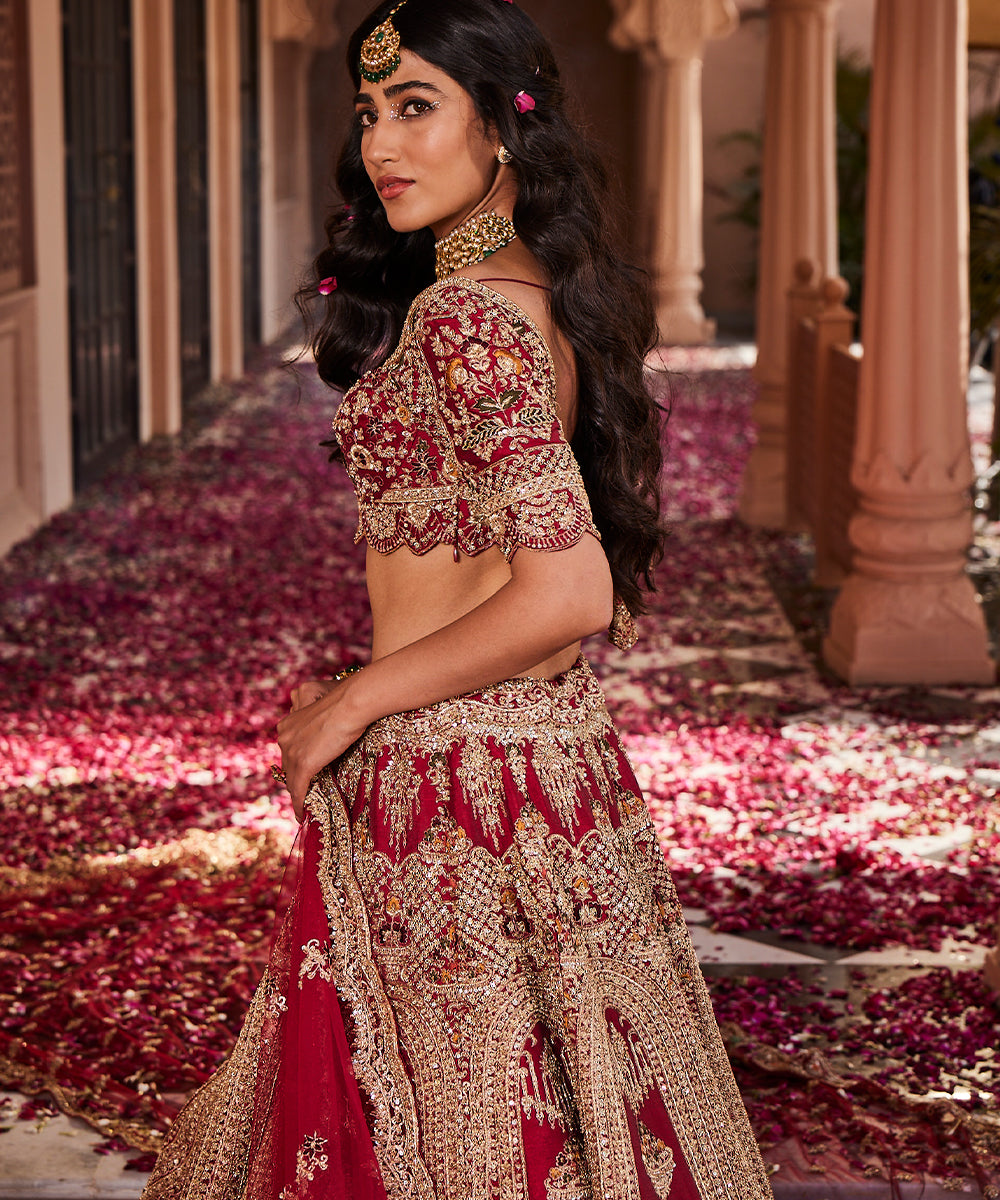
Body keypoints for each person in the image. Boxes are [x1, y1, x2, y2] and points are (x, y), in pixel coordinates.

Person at [142, 1, 773, 1197]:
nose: (381, 142)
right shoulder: (533, 297)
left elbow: (567, 589)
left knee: (457, 1139)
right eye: (370, 111)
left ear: (504, 126)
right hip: (540, 770)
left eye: (417, 106)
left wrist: (348, 705)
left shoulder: (469, 319)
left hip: (454, 794)